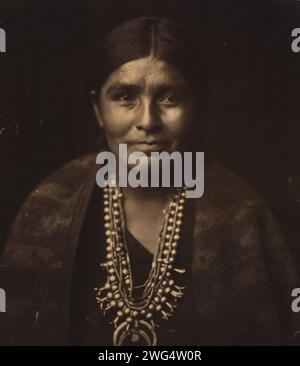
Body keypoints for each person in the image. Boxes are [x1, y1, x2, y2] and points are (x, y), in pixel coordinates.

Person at [1, 17, 299, 346]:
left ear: (197, 107)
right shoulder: (49, 207)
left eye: (169, 98)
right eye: (125, 97)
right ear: (97, 108)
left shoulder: (242, 213)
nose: (147, 121)